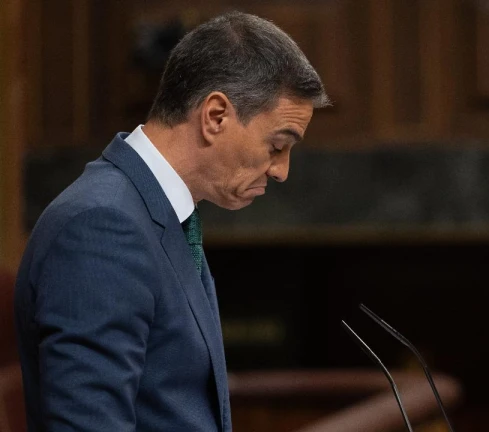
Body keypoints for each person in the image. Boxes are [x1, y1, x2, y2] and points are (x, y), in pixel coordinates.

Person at [14, 11, 329, 431]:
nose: (281, 171)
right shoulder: (102, 226)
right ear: (215, 116)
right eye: (277, 146)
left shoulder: (161, 214)